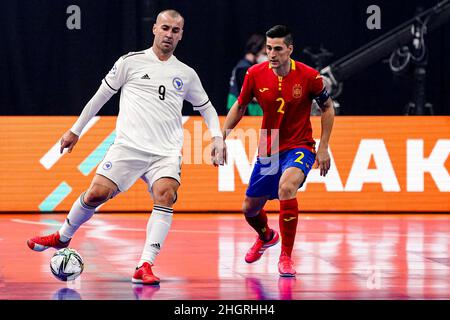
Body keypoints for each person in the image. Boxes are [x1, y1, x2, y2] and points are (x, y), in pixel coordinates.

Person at [27, 9, 226, 285]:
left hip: (165, 152)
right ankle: (62, 237)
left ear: (181, 35)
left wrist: (216, 137)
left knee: (166, 194)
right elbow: (100, 97)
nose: (169, 34)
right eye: (165, 28)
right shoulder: (130, 63)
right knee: (96, 194)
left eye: (175, 31)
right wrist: (76, 130)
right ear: (154, 28)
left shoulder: (186, 74)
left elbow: (206, 108)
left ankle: (144, 264)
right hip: (128, 148)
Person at [222, 25, 334, 277]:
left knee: (286, 187)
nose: (272, 54)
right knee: (249, 209)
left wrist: (324, 146)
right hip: (269, 145)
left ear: (289, 50)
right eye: (269, 48)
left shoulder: (309, 76)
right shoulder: (254, 74)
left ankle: (286, 256)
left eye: (278, 49)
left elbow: (327, 108)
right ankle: (266, 236)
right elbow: (239, 107)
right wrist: (222, 136)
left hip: (300, 145)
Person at [227, 34, 267, 116]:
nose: (266, 54)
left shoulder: (243, 65)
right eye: (263, 52)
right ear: (256, 49)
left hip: (240, 106)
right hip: (241, 109)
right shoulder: (244, 69)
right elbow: (247, 95)